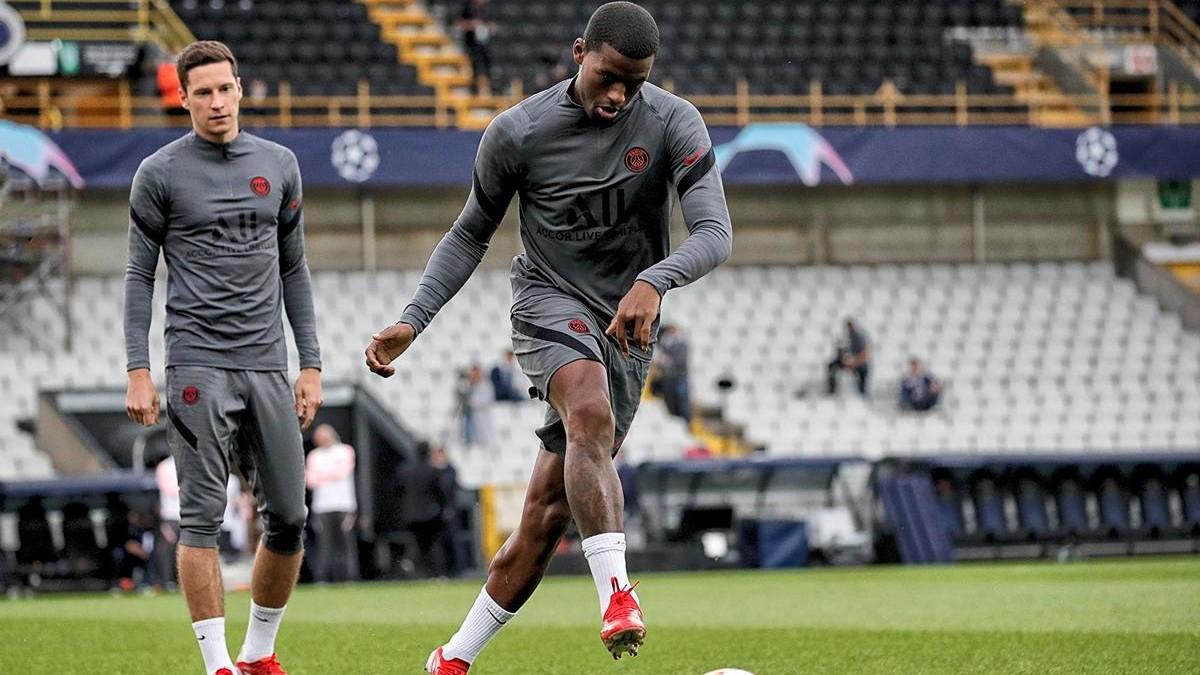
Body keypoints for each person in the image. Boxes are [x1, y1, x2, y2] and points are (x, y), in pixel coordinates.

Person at [364, 3, 732, 670]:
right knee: (587, 408)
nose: (619, 95)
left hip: (627, 322)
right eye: (608, 76)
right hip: (547, 300)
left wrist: (657, 277)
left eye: (635, 82)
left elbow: (715, 233)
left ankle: (451, 657)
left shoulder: (674, 121)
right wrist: (413, 318)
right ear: (578, 53)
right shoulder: (518, 132)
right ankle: (617, 596)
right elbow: (470, 233)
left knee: (544, 516)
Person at [123, 40, 323, 675]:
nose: (216, 102)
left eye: (225, 88)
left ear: (241, 88)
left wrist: (310, 361)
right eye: (202, 92)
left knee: (290, 517)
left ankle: (259, 653)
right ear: (182, 98)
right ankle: (218, 666)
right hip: (197, 366)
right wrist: (137, 367)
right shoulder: (158, 174)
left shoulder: (280, 164)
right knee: (201, 520)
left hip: (267, 364)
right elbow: (137, 276)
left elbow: (294, 268)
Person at [305, 424, 359, 583]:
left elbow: (343, 472)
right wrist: (328, 475)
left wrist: (321, 475)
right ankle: (323, 577)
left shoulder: (346, 451)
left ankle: (349, 576)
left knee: (346, 544)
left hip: (344, 505)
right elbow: (310, 481)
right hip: (322, 507)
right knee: (324, 544)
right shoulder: (314, 456)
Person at [431, 446, 463, 577]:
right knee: (441, 543)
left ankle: (456, 569)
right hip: (438, 513)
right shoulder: (434, 472)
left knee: (453, 541)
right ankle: (442, 570)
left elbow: (449, 489)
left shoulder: (449, 470)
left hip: (450, 511)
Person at [654, 324, 692, 422]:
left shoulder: (681, 344)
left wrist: (666, 361)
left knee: (682, 403)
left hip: (679, 378)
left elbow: (679, 361)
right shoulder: (666, 344)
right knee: (671, 403)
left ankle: (686, 424)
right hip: (669, 379)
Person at [457, 0, 495, 94]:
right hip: (471, 43)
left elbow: (491, 24)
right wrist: (472, 25)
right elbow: (460, 24)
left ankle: (491, 89)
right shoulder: (467, 8)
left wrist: (490, 27)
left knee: (487, 65)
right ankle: (473, 90)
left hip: (484, 43)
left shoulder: (487, 10)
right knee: (474, 66)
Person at [155, 454, 181, 588]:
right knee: (169, 550)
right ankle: (168, 581)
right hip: (171, 516)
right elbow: (167, 489)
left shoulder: (190, 463)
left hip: (187, 515)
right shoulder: (165, 466)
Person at [827, 319, 872, 396]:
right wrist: (846, 360)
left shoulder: (859, 336)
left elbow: (865, 353)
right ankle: (832, 390)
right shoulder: (847, 337)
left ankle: (862, 393)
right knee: (832, 366)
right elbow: (844, 351)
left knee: (863, 371)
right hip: (850, 361)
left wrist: (854, 362)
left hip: (859, 363)